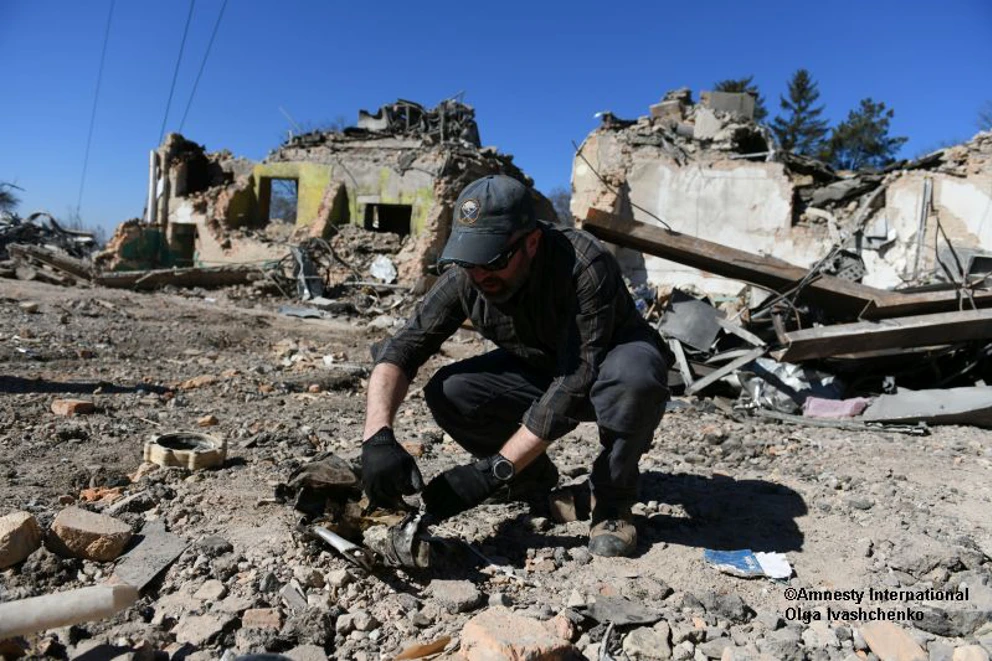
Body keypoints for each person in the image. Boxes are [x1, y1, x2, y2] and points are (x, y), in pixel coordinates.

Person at [359, 174, 670, 557]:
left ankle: (612, 500)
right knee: (451, 390)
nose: (480, 274)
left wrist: (495, 469)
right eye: (471, 261)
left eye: (493, 260)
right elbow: (402, 350)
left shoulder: (585, 264)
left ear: (531, 242)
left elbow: (576, 379)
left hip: (606, 361)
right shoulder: (467, 276)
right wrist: (378, 436)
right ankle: (530, 479)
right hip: (540, 363)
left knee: (635, 379)